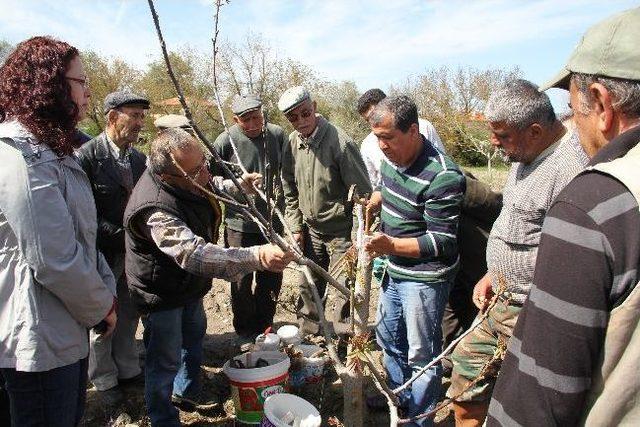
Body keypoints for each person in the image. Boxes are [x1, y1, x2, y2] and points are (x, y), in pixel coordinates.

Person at [488, 8, 640, 426]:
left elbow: (547, 388)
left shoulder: (593, 198)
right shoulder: (529, 163)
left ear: (604, 105)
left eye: (576, 107)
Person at [123, 128, 293, 426]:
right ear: (168, 176)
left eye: (204, 163)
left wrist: (239, 185)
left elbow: (207, 183)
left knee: (193, 337)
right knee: (164, 359)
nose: (204, 171)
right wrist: (257, 256)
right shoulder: (154, 207)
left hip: (186, 285)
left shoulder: (187, 178)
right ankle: (163, 417)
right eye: (195, 169)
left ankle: (187, 391)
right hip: (160, 291)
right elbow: (194, 254)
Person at [447, 79, 589, 426]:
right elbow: (516, 225)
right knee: (464, 387)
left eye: (502, 135)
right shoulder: (522, 154)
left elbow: (570, 257)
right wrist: (492, 273)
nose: (493, 143)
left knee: (520, 406)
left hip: (531, 313)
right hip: (498, 301)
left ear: (536, 130)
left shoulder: (572, 170)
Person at [0, 36, 116, 426]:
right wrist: (101, 307)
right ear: (49, 84)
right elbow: (54, 257)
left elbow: (82, 236)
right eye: (80, 81)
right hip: (37, 341)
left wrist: (103, 293)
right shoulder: (21, 156)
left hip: (63, 326)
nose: (87, 92)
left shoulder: (51, 149)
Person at [364, 95, 465, 426]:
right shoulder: (393, 157)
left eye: (387, 137)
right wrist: (379, 196)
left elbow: (441, 241)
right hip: (394, 269)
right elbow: (390, 185)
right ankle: (401, 400)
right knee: (387, 337)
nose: (381, 146)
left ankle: (420, 420)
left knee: (422, 355)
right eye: (377, 137)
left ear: (413, 130)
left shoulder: (443, 176)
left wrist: (389, 244)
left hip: (425, 278)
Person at [278, 86, 372, 334]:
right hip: (310, 229)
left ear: (315, 107)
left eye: (305, 113)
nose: (301, 121)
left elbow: (364, 193)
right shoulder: (292, 141)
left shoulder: (339, 142)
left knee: (344, 286)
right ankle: (310, 332)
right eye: (293, 118)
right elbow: (289, 186)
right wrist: (296, 226)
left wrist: (367, 236)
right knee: (308, 283)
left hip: (340, 230)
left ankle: (342, 337)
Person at [77, 90, 150, 405]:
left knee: (129, 311)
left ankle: (128, 368)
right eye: (133, 115)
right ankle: (105, 381)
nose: (139, 123)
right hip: (101, 253)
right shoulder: (87, 157)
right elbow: (85, 215)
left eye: (141, 116)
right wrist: (123, 236)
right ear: (111, 117)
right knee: (101, 316)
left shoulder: (137, 158)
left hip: (132, 253)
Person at [211, 94, 287, 339]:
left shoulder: (276, 135)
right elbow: (210, 181)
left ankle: (265, 326)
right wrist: (238, 186)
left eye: (257, 117)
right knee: (240, 280)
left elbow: (289, 175)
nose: (254, 124)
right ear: (235, 120)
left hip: (272, 223)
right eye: (247, 120)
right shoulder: (225, 141)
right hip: (238, 223)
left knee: (271, 278)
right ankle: (244, 331)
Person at [357, 88, 445, 189]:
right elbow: (374, 183)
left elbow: (441, 162)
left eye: (375, 115)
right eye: (368, 120)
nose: (373, 121)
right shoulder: (367, 146)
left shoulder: (424, 127)